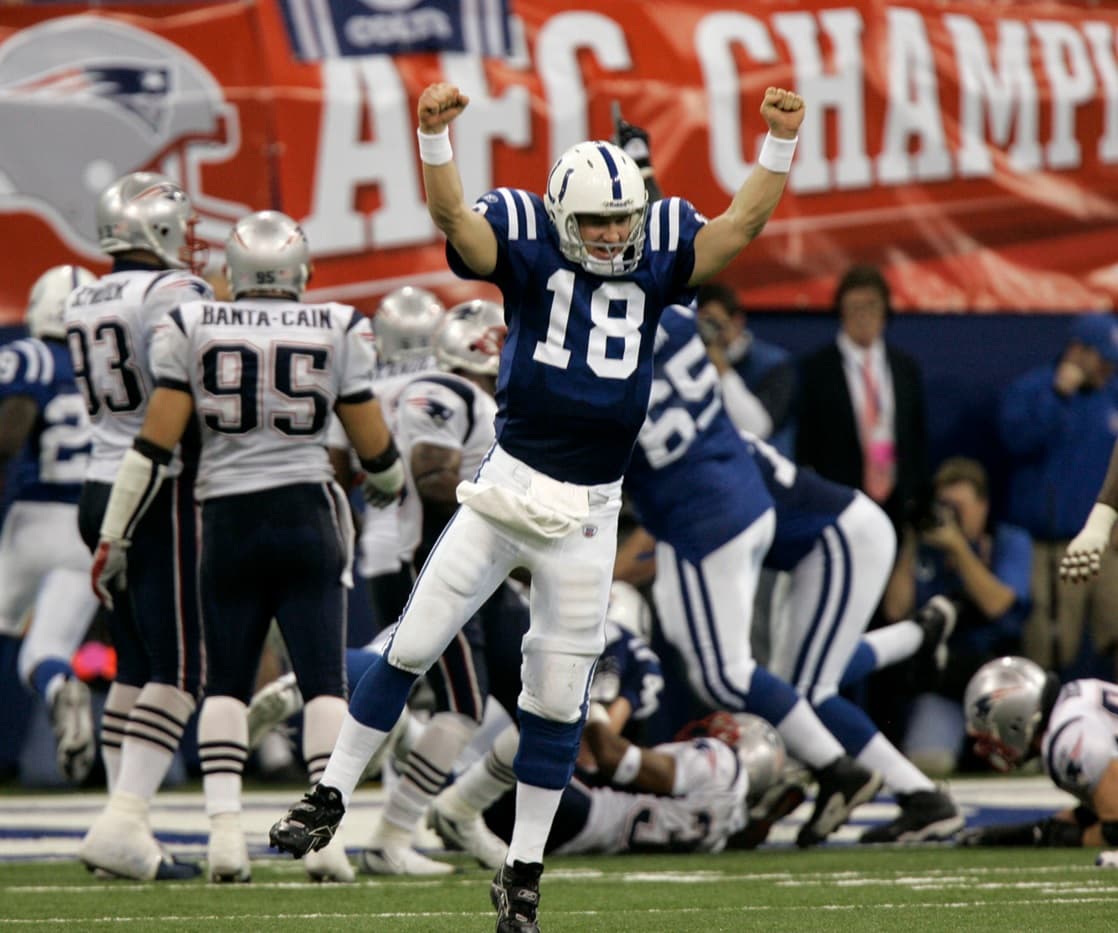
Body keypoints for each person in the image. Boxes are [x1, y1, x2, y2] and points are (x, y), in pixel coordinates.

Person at [270, 79, 806, 933]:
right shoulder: (526, 236)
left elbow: (737, 227)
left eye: (619, 219)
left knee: (557, 700)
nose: (608, 234)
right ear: (560, 215)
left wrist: (777, 144)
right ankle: (330, 791)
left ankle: (522, 871)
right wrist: (434, 141)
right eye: (593, 221)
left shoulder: (658, 244)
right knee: (413, 643)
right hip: (508, 485)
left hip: (592, 509)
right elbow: (460, 225)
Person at [86, 210, 406, 884]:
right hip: (306, 515)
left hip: (225, 519)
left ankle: (225, 836)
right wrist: (389, 481)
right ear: (301, 272)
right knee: (324, 680)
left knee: (226, 679)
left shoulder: (195, 324)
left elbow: (154, 442)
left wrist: (114, 531)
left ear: (232, 271)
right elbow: (374, 446)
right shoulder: (338, 325)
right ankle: (325, 841)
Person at [68, 172, 213, 882]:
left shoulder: (81, 294)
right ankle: (124, 823)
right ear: (153, 228)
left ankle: (121, 823)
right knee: (182, 670)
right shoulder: (172, 294)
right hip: (157, 487)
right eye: (179, 224)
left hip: (96, 485)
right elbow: (178, 393)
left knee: (132, 665)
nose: (190, 237)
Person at [0, 264, 98, 784]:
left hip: (31, 516)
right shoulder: (111, 367)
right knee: (45, 653)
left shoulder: (30, 356)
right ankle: (62, 687)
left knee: (5, 628)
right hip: (88, 525)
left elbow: (9, 436)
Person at [880, 457, 1032, 776]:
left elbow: (999, 605)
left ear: (983, 506)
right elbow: (895, 610)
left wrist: (960, 550)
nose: (950, 516)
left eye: (959, 507)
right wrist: (910, 542)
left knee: (1017, 769)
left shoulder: (1009, 542)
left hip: (999, 680)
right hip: (943, 683)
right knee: (929, 763)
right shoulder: (925, 550)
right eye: (944, 506)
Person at [1000, 312, 1118, 679]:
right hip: (1049, 548)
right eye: (1103, 359)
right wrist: (1056, 396)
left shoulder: (1111, 395)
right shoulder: (1034, 390)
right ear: (1078, 352)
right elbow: (1015, 440)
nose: (1108, 370)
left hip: (1107, 545)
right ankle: (1046, 731)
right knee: (1049, 651)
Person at [796, 265, 929, 534]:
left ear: (885, 311)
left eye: (871, 305)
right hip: (839, 500)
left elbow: (916, 435)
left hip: (896, 500)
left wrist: (915, 493)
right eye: (855, 307)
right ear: (841, 311)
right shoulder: (817, 369)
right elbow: (806, 442)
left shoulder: (905, 367)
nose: (864, 316)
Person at [957, 656, 1118, 864]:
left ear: (1013, 720)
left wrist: (1068, 839)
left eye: (992, 733)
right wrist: (1029, 834)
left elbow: (1114, 827)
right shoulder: (1075, 695)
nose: (994, 745)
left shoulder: (1067, 738)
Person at [361, 285, 446, 631]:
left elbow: (341, 467)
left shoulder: (363, 388)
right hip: (451, 535)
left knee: (396, 655)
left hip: (385, 540)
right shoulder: (456, 378)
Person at [695, 282, 797, 455]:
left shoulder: (775, 365)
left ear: (737, 322)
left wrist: (719, 364)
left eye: (714, 323)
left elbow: (757, 428)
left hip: (762, 470)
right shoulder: (691, 363)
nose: (709, 332)